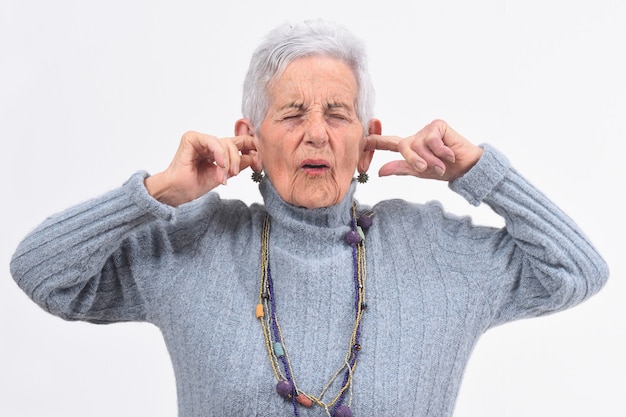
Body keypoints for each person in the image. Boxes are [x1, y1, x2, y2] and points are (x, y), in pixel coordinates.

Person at [10, 18, 608, 417]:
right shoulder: (197, 242)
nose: (316, 134)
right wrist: (158, 192)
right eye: (292, 113)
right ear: (251, 139)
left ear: (369, 141)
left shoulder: (432, 248)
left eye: (338, 114)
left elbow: (577, 270)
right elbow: (41, 271)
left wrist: (475, 171)